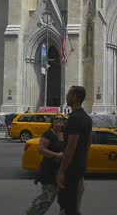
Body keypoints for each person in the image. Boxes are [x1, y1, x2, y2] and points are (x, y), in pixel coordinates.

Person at [57, 86, 92, 215]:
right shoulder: (87, 118)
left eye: (69, 94)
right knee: (73, 206)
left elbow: (71, 147)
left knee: (67, 205)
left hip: (71, 169)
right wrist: (82, 164)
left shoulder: (74, 118)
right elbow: (88, 143)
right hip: (79, 166)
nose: (66, 97)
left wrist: (62, 171)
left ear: (75, 97)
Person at [27, 114, 65, 214]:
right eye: (56, 118)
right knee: (46, 198)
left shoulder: (65, 134)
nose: (58, 120)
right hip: (49, 171)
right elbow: (41, 149)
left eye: (61, 119)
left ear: (64, 122)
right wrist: (56, 155)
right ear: (52, 121)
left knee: (65, 200)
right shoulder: (48, 134)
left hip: (62, 171)